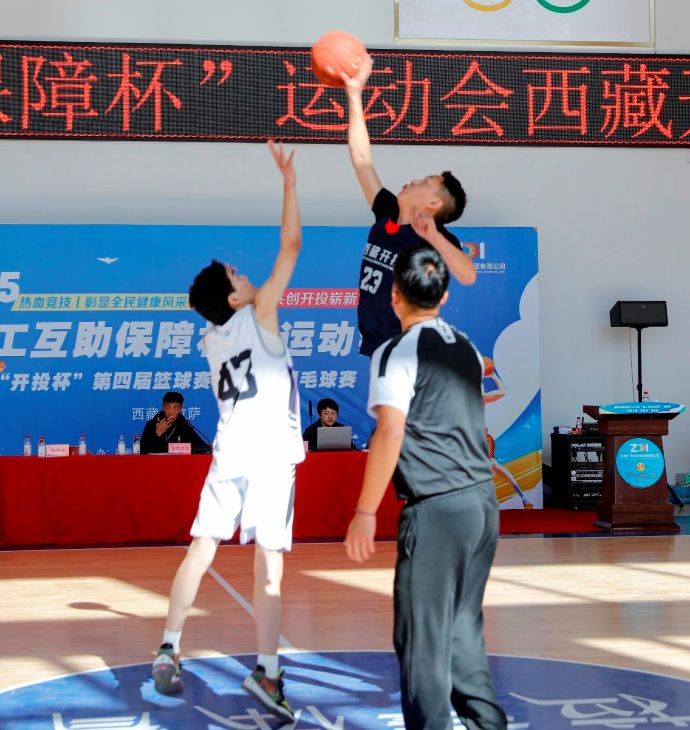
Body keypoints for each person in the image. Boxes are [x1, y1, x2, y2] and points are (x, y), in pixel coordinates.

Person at [151, 141, 304, 724]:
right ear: (235, 297)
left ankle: (168, 648)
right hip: (268, 458)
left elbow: (219, 307)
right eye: (238, 275)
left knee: (201, 550)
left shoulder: (211, 339)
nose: (246, 274)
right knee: (270, 566)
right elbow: (291, 245)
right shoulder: (258, 315)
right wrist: (288, 182)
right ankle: (267, 672)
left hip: (229, 453)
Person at [345, 243, 507, 730]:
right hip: (482, 503)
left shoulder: (395, 352)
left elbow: (390, 431)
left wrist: (365, 512)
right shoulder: (467, 348)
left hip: (438, 508)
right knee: (461, 630)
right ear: (444, 295)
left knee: (421, 640)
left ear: (393, 295)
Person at [342, 55, 477, 356]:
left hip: (410, 347)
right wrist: (353, 93)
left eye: (426, 181)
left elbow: (468, 274)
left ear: (433, 203)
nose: (414, 180)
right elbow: (361, 159)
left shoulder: (435, 239)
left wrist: (434, 238)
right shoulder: (387, 212)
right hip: (378, 347)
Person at [140, 391, 208, 454]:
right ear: (163, 407)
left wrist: (192, 449)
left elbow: (203, 449)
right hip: (155, 462)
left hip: (179, 463)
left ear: (181, 409)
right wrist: (157, 433)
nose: (171, 413)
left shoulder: (185, 427)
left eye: (175, 409)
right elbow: (141, 451)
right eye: (167, 408)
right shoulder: (151, 424)